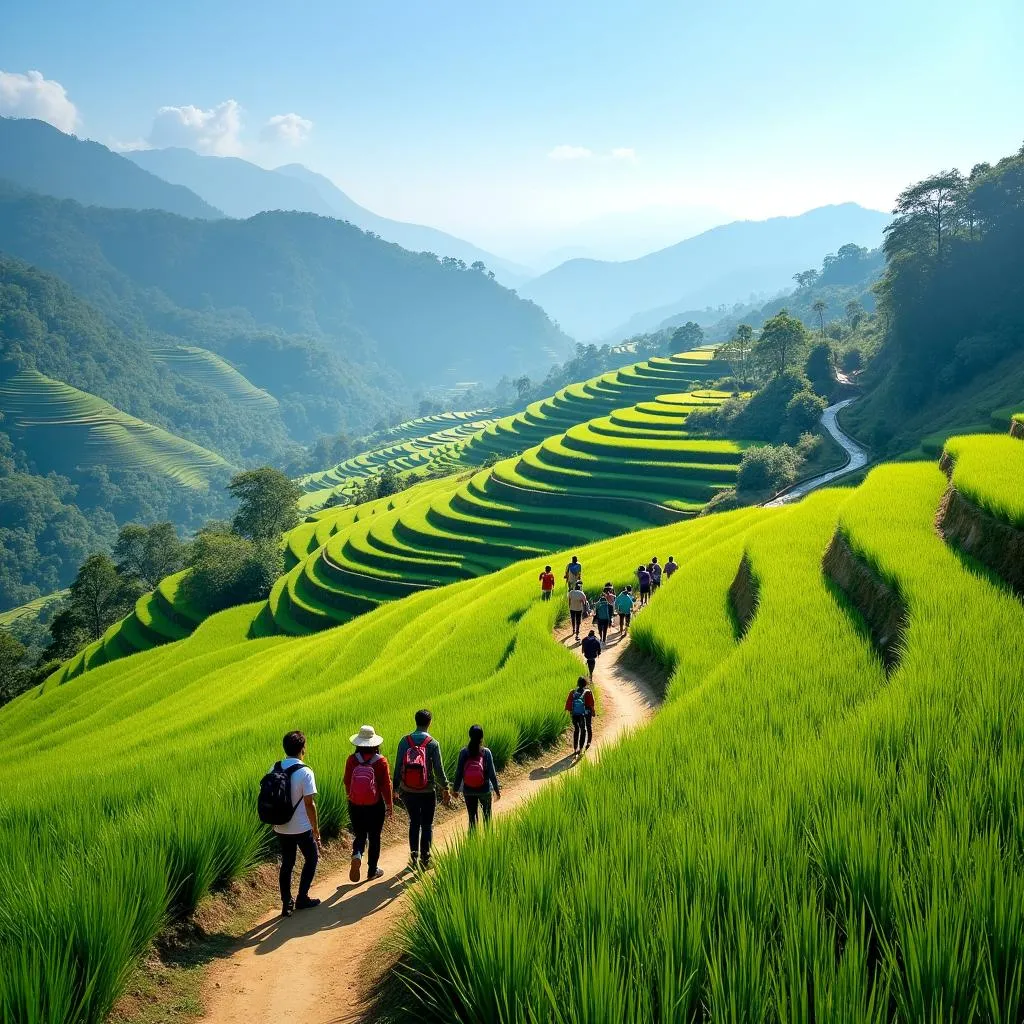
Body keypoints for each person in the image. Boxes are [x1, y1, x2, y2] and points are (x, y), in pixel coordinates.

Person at [272, 730, 322, 917]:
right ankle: (302, 897)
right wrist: (316, 830)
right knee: (312, 858)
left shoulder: (274, 768)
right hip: (301, 827)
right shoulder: (305, 772)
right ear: (303, 749)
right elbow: (309, 804)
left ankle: (286, 903)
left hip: (281, 826)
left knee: (288, 862)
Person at [394, 709, 451, 870]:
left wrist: (395, 788)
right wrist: (445, 787)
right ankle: (425, 860)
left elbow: (398, 765)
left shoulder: (404, 741)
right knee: (426, 825)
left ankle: (413, 858)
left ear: (415, 721)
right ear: (429, 722)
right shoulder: (433, 743)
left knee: (414, 822)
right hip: (427, 791)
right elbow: (439, 770)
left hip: (408, 790)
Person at [344, 725, 394, 883]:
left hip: (355, 804)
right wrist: (389, 805)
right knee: (374, 837)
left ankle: (357, 854)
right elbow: (386, 786)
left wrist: (351, 797)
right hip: (375, 805)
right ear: (375, 744)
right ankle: (372, 870)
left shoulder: (352, 760)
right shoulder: (381, 762)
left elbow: (346, 781)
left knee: (360, 834)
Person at [452, 724, 501, 830]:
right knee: (487, 816)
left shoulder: (464, 752)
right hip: (484, 789)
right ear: (482, 737)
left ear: (470, 736)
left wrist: (455, 790)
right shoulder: (486, 752)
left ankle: (472, 842)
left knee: (472, 818)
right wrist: (497, 791)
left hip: (468, 791)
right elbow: (492, 774)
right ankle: (488, 839)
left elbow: (459, 773)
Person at [565, 676, 595, 754]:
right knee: (583, 730)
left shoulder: (573, 692)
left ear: (577, 683)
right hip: (583, 714)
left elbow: (568, 705)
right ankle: (581, 749)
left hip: (575, 715)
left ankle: (575, 749)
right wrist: (593, 711)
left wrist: (571, 712)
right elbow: (591, 704)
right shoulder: (588, 692)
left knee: (576, 730)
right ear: (585, 684)